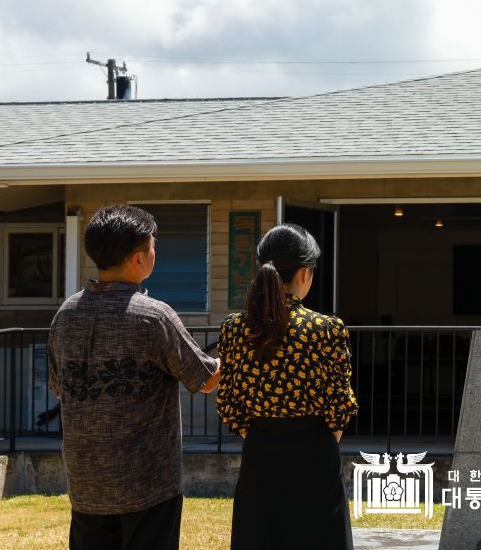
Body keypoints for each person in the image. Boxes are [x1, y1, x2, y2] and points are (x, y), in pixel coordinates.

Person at [48, 204, 221, 550]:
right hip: (148, 482)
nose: (156, 252)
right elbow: (205, 379)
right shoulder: (153, 316)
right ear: (138, 258)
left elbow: (58, 387)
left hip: (86, 482)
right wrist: (234, 353)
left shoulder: (66, 315)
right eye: (153, 246)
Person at [215, 223, 358, 550]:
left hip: (260, 455)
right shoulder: (326, 329)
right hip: (315, 454)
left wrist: (261, 432)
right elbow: (340, 404)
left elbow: (229, 404)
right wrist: (321, 439)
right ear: (305, 273)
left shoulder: (235, 329)